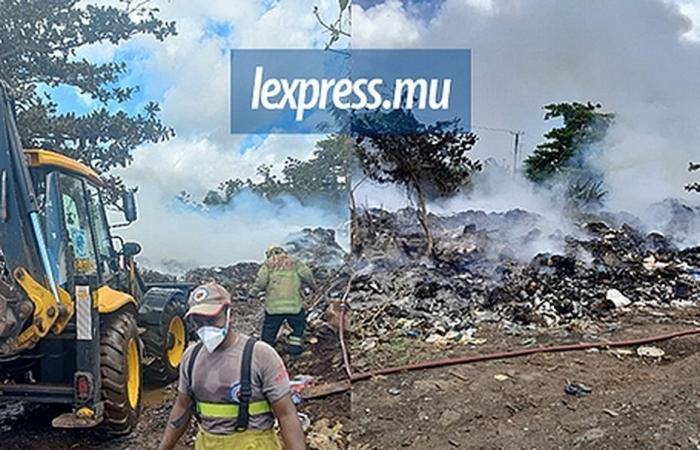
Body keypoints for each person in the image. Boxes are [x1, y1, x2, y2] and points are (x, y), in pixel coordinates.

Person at [157, 281, 307, 450]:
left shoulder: (260, 355)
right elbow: (182, 407)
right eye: (198, 321)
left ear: (229, 313)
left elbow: (286, 414)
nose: (206, 327)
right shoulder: (191, 357)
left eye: (212, 319)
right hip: (208, 444)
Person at [252, 246, 316, 356]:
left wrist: (253, 292)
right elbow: (307, 274)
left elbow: (261, 282)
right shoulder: (294, 262)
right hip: (294, 306)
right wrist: (313, 286)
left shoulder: (268, 264)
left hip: (274, 307)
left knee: (269, 330)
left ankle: (265, 353)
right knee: (298, 326)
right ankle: (294, 349)